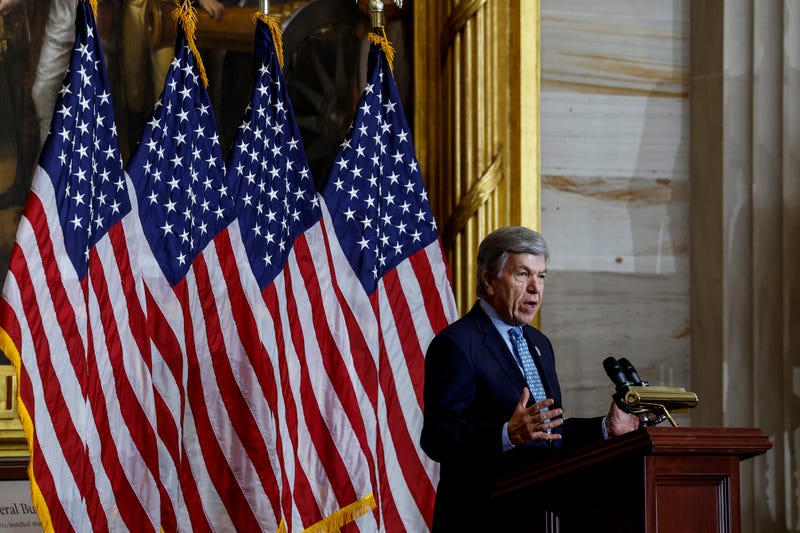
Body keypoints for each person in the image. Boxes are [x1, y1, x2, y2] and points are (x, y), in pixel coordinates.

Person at [420, 225, 640, 531]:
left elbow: (546, 432)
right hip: (481, 519)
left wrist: (604, 428)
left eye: (542, 276)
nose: (535, 288)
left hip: (541, 516)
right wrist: (505, 435)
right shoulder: (457, 344)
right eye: (523, 274)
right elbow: (437, 438)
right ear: (488, 280)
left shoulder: (539, 343)